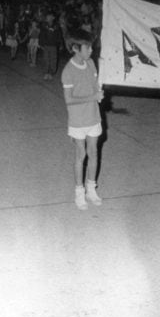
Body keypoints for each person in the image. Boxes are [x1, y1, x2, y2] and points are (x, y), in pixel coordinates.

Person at [61, 31, 104, 210]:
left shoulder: (92, 63)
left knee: (93, 153)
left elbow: (95, 86)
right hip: (78, 120)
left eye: (91, 46)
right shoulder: (68, 71)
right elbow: (69, 99)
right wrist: (93, 96)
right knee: (81, 155)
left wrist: (100, 91)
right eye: (87, 47)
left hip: (93, 117)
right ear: (75, 49)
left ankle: (91, 189)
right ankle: (79, 193)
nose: (91, 50)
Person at [40, 14, 61, 79]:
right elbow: (41, 35)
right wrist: (41, 43)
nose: (47, 18)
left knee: (53, 59)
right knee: (46, 59)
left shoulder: (56, 26)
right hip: (46, 45)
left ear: (53, 17)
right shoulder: (44, 26)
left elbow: (59, 35)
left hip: (53, 45)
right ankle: (46, 72)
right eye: (47, 17)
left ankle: (51, 73)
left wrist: (60, 44)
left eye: (49, 16)